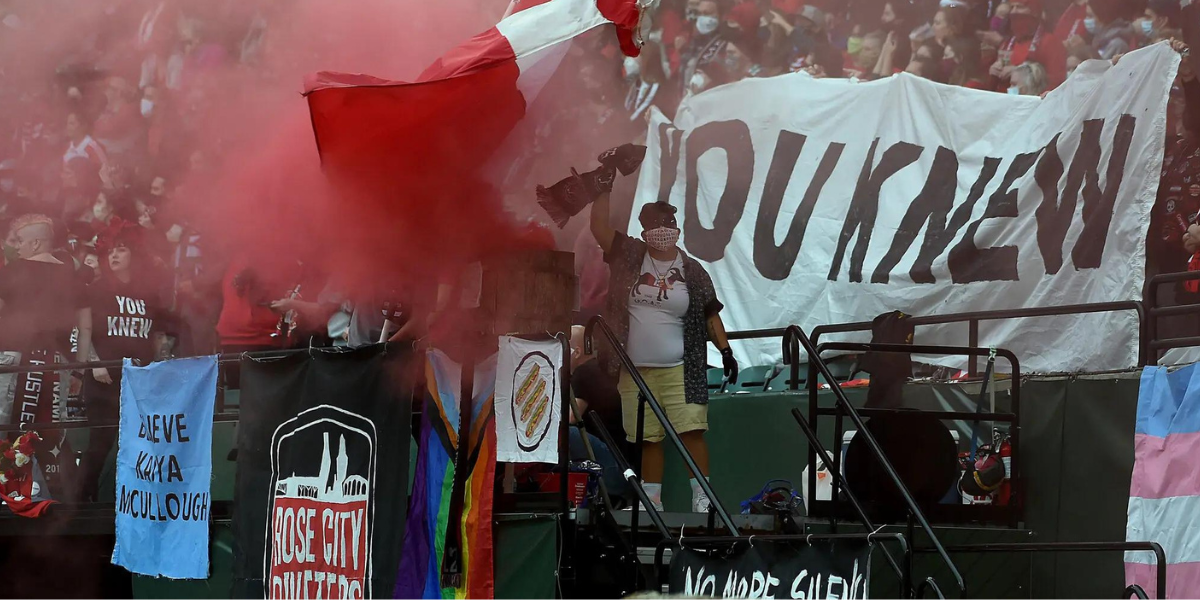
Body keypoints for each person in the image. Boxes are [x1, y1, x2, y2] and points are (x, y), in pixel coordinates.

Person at [589, 186, 738, 513]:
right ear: (643, 231)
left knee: (691, 431)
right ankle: (651, 501)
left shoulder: (692, 269)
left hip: (681, 368)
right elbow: (598, 227)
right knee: (647, 437)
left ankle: (703, 499)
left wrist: (725, 351)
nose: (663, 232)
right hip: (634, 370)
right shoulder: (629, 254)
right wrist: (603, 188)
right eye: (656, 226)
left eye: (669, 225)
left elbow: (709, 313)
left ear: (677, 228)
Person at [75, 222, 168, 501]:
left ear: (134, 254)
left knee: (141, 443)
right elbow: (83, 330)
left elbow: (159, 333)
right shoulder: (96, 289)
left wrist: (161, 362)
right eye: (110, 251)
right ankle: (82, 500)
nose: (114, 255)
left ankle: (136, 499)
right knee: (100, 442)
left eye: (122, 249)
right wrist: (94, 363)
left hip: (140, 379)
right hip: (105, 379)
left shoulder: (148, 292)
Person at [0, 214, 87, 425]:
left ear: (36, 243)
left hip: (14, 359)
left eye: (20, 241)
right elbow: (86, 327)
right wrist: (79, 371)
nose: (17, 248)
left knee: (5, 433)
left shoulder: (10, 272)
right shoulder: (74, 277)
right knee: (49, 435)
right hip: (58, 363)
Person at [984, 0, 1066, 91]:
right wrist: (993, 72)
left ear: (1034, 12)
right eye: (1011, 7)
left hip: (1032, 101)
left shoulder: (1050, 42)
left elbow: (1056, 82)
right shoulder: (1006, 43)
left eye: (1019, 7)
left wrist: (1020, 74)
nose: (1014, 11)